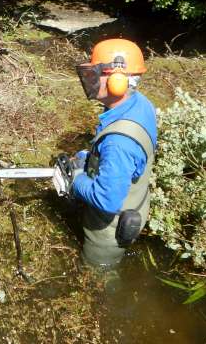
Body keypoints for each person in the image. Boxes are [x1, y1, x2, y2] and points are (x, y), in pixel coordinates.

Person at [54, 38, 157, 268]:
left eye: (96, 73)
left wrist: (77, 178)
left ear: (117, 81)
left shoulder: (118, 142)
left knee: (97, 275)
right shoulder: (140, 104)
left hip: (110, 229)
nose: (89, 79)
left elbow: (106, 200)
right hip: (136, 203)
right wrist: (89, 158)